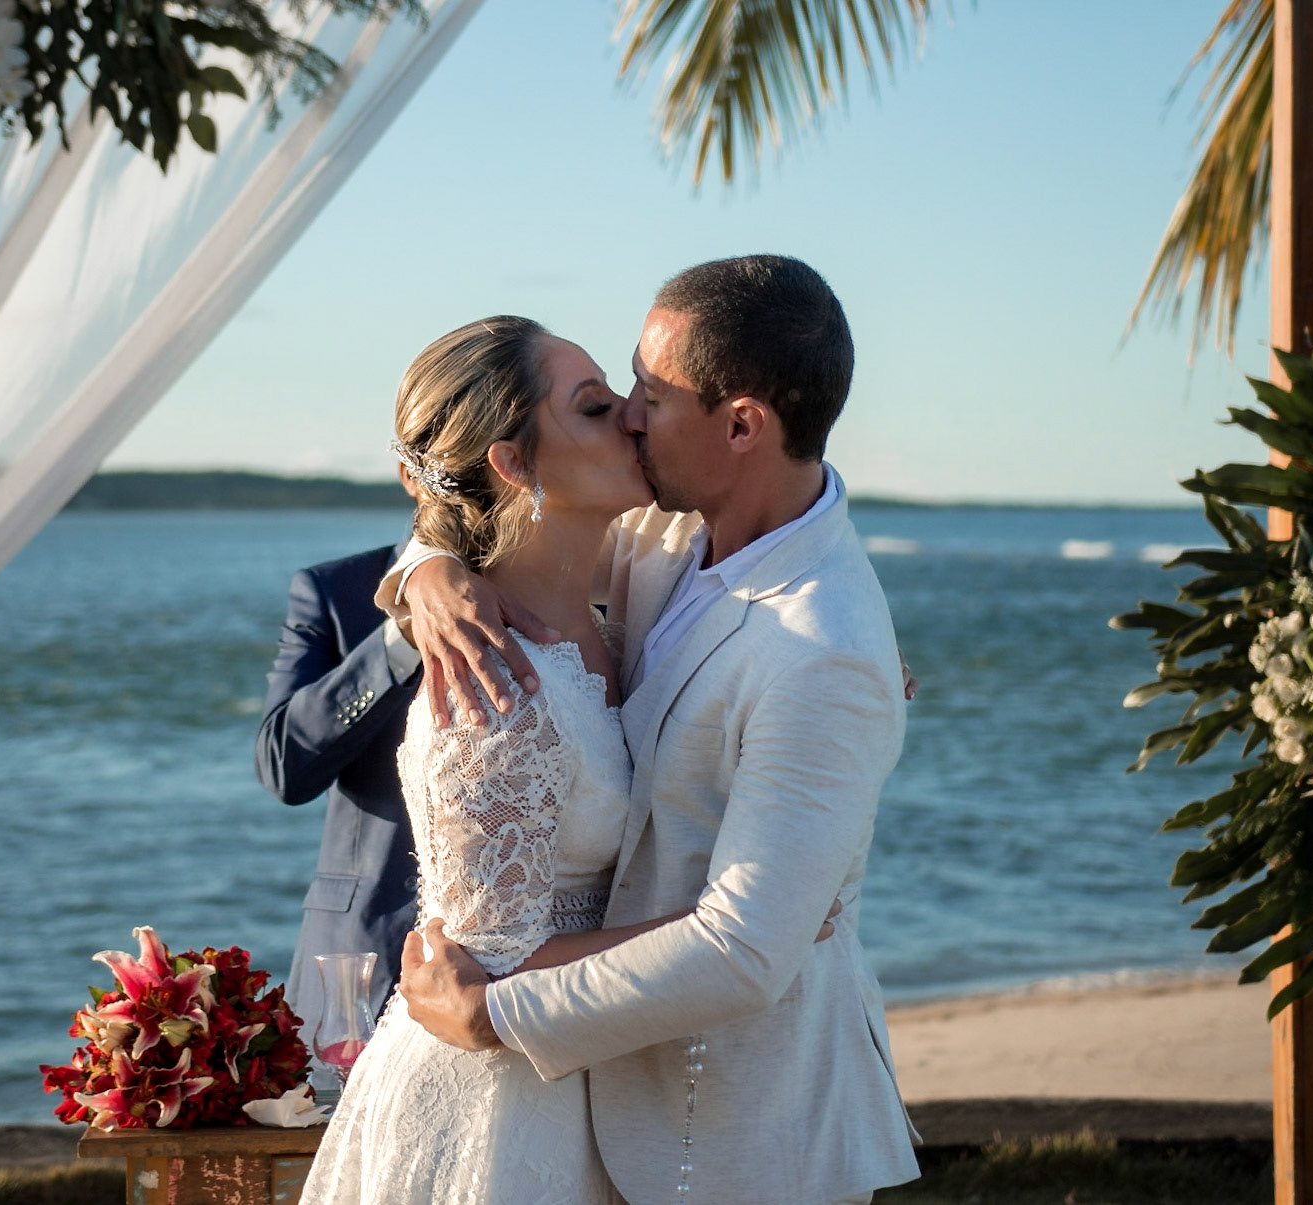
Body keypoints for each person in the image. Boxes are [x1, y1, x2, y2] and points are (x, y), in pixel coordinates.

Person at [387, 256, 919, 1204]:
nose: (631, 414)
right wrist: (427, 569)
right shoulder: (671, 535)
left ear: (743, 425)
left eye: (648, 395)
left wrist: (494, 1011)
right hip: (598, 1110)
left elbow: (745, 951)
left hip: (745, 1134)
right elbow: (496, 500)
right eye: (617, 391)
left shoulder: (823, 648)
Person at [300, 315, 701, 1204]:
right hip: (501, 1113)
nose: (635, 418)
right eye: (596, 407)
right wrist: (725, 932)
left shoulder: (608, 620)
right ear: (514, 463)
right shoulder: (489, 680)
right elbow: (488, 967)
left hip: (588, 1080)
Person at [255, 491, 425, 1064]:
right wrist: (399, 640)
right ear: (413, 473)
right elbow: (283, 766)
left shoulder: (585, 593)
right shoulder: (336, 591)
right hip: (364, 966)